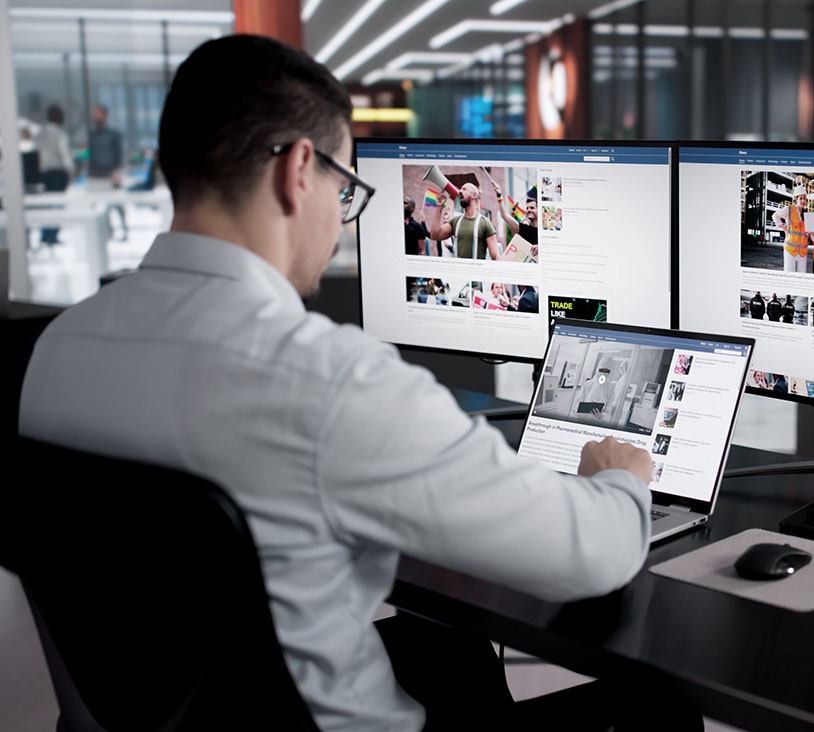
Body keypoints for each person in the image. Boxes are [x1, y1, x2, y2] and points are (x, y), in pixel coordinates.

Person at [18, 34, 686, 732]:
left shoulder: (58, 347)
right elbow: (592, 554)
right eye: (345, 190)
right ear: (298, 171)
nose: (342, 219)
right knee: (658, 711)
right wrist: (621, 478)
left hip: (163, 712)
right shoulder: (331, 378)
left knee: (454, 653)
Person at [87, 104, 128, 240]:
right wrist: (91, 172)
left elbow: (118, 154)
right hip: (97, 173)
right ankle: (107, 231)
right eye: (95, 113)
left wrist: (116, 170)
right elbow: (91, 155)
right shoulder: (92, 135)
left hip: (111, 172)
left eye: (98, 113)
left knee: (117, 203)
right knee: (99, 204)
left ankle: (124, 228)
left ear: (105, 115)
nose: (96, 116)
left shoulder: (113, 134)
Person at [431, 181, 501, 260]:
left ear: (474, 195)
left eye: (464, 189)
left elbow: (495, 255)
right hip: (458, 268)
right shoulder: (455, 222)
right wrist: (439, 207)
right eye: (460, 189)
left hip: (476, 268)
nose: (460, 191)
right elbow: (434, 235)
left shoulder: (485, 223)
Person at [34, 104, 73, 245]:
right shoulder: (60, 134)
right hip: (58, 173)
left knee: (47, 205)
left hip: (44, 173)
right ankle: (52, 236)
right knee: (57, 204)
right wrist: (71, 170)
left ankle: (45, 235)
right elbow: (65, 153)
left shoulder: (40, 134)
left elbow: (37, 153)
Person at [491, 179, 539, 260]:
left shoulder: (545, 230)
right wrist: (499, 194)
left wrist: (541, 247)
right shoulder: (524, 228)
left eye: (532, 208)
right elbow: (504, 216)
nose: (528, 210)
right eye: (527, 208)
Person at [772, 185, 809, 272]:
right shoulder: (789, 210)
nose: (803, 201)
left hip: (802, 252)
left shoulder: (806, 214)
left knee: (801, 276)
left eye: (804, 198)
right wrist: (784, 228)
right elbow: (775, 216)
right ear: (796, 199)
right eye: (801, 198)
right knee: (789, 274)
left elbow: (807, 232)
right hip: (790, 250)